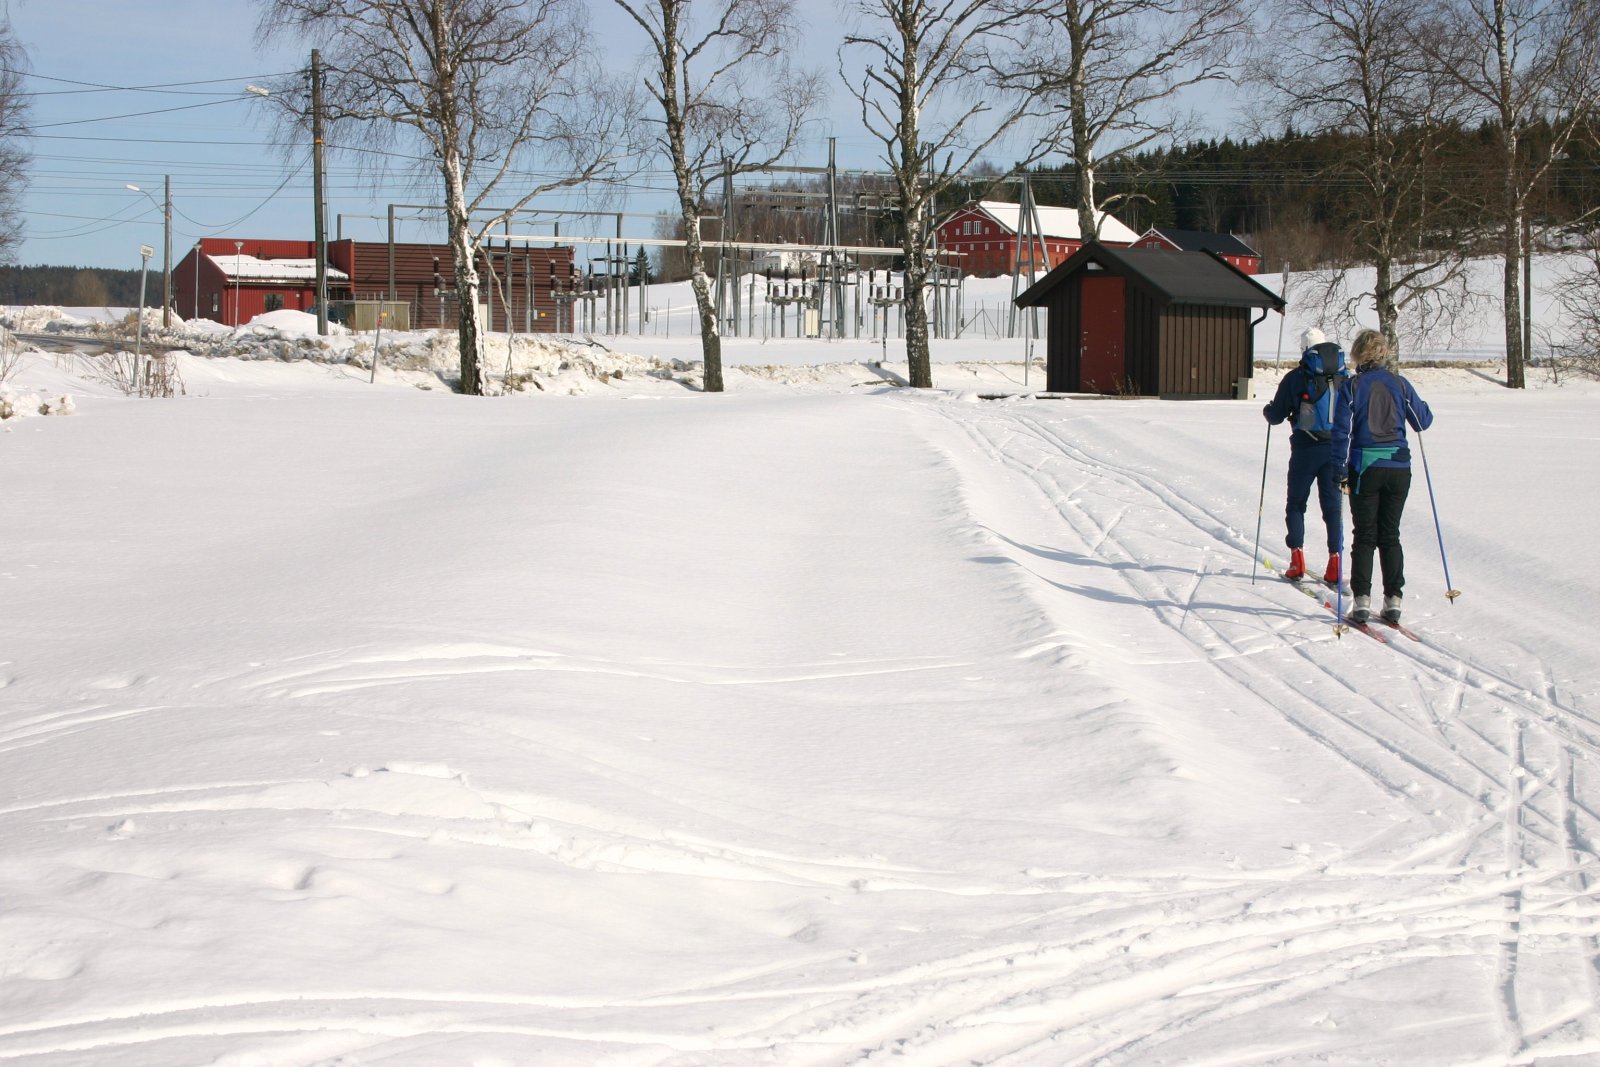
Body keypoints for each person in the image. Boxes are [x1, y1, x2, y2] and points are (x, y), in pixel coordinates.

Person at [1330, 329, 1434, 625]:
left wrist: (1338, 467)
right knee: (1390, 534)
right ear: (1383, 353)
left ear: (1357, 354)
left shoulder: (1353, 386)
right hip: (1399, 467)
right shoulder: (1400, 384)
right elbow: (1422, 421)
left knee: (1365, 535)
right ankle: (1393, 600)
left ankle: (1362, 600)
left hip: (1365, 466)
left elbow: (1341, 430)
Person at [1262, 327, 1348, 585]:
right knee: (1333, 507)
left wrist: (1268, 411)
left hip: (1305, 449)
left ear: (1304, 349)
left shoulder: (1296, 377)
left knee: (1297, 503)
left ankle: (1297, 560)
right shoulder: (1344, 377)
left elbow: (1276, 416)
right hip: (1336, 449)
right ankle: (1335, 564)